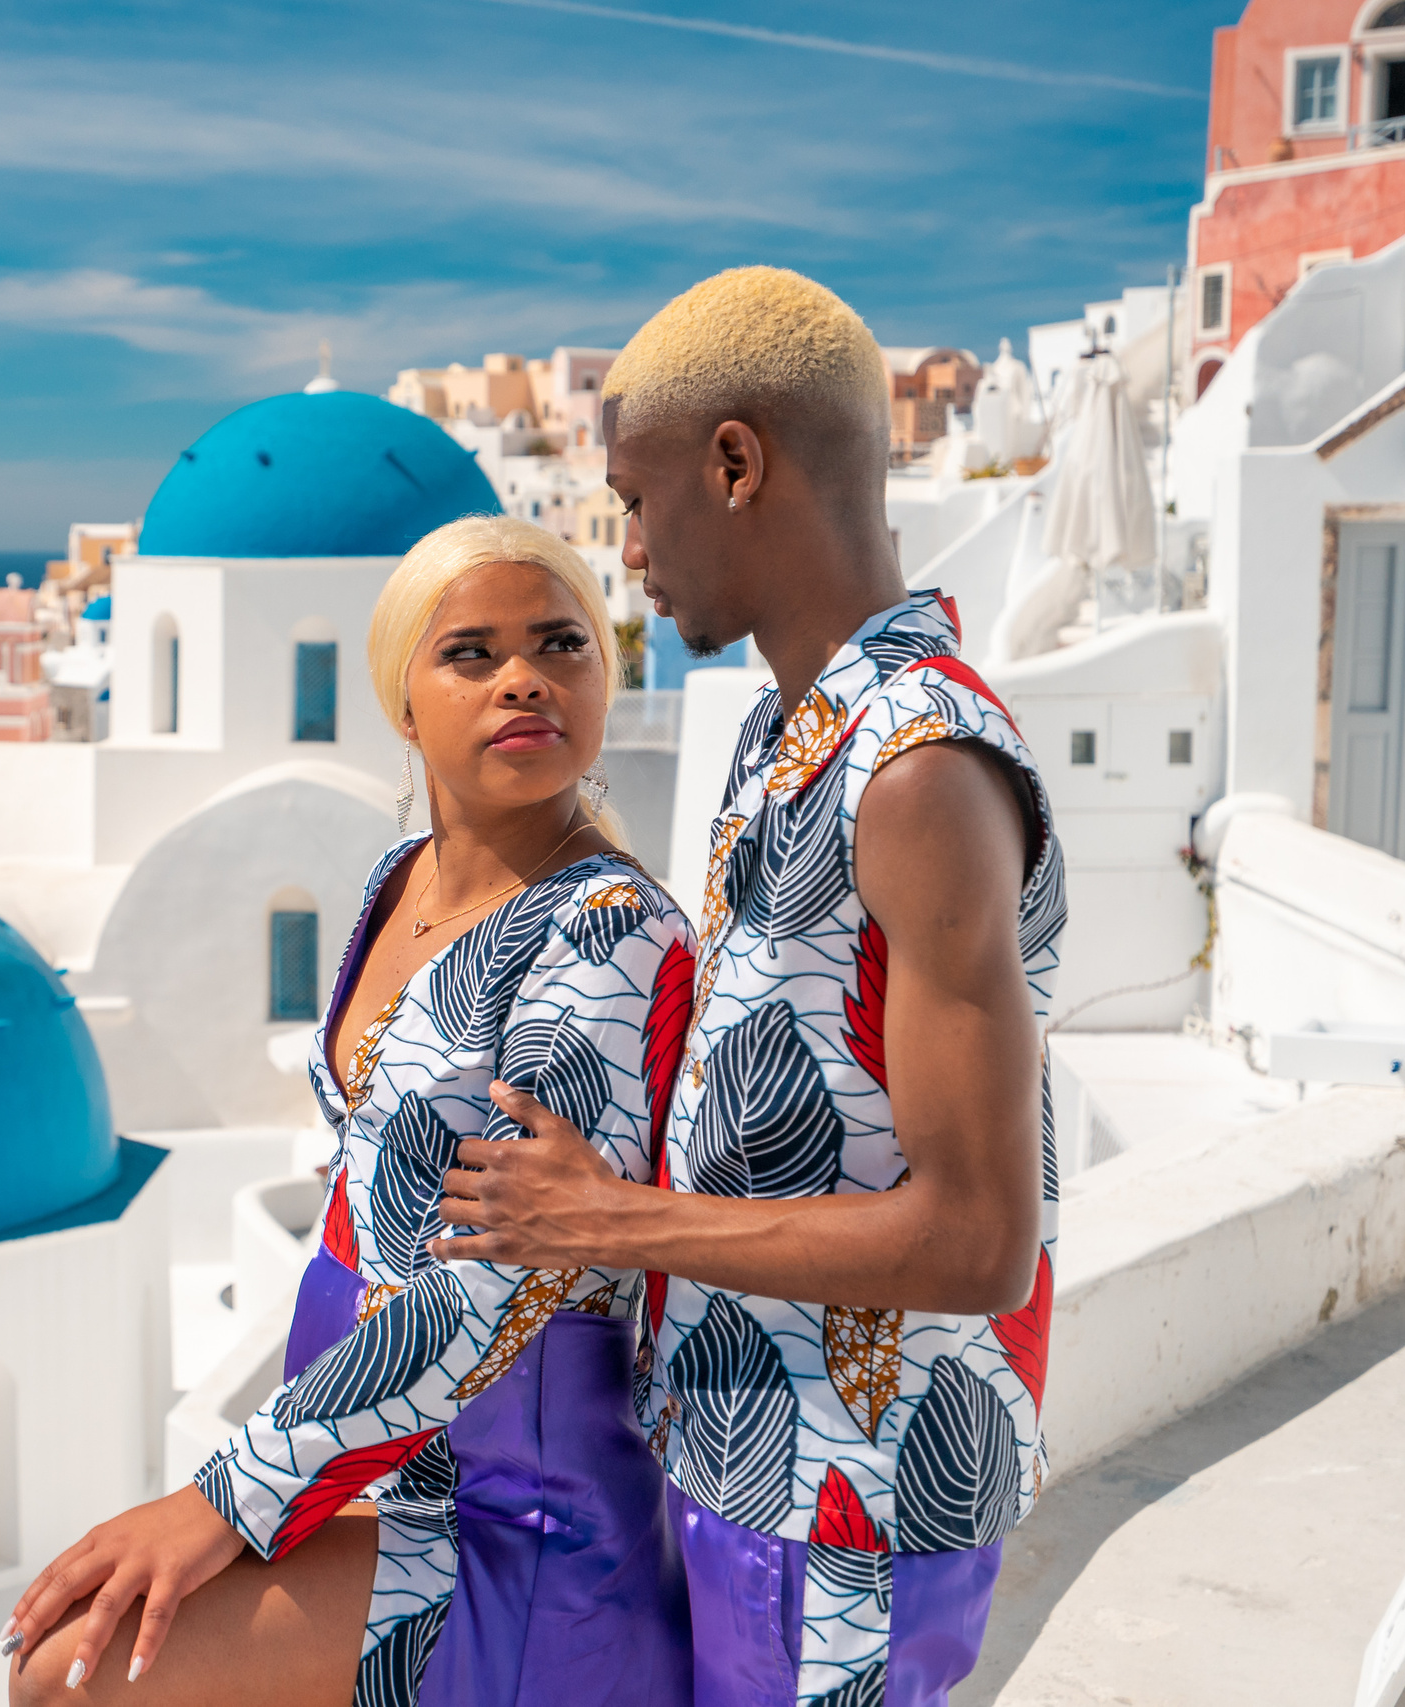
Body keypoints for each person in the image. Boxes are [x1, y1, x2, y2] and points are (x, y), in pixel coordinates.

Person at [435, 268, 1068, 1707]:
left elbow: (979, 1237)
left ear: (735, 463)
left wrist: (607, 1216)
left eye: (638, 498)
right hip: (752, 1462)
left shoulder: (915, 768)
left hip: (850, 1501)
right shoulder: (795, 731)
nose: (631, 546)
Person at [4, 515, 697, 1707]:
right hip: (387, 1466)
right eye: (471, 652)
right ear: (403, 702)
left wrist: (223, 1496)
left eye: (561, 644)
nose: (523, 676)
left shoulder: (601, 932)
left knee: (78, 1672)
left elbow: (500, 1286)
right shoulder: (400, 879)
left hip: (517, 1520)